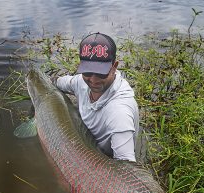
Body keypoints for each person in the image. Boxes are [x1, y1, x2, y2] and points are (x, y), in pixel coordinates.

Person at [52, 32, 139, 162]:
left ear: (114, 67)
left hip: (103, 159)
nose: (93, 80)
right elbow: (57, 81)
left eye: (101, 73)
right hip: (85, 145)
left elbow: (126, 164)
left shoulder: (119, 113)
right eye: (87, 71)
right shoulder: (80, 82)